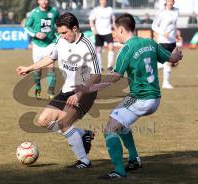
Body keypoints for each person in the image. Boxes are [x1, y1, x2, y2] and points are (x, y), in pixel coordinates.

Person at [74, 13, 183, 179]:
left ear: (122, 29)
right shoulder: (150, 43)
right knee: (119, 121)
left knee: (110, 129)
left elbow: (115, 77)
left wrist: (90, 88)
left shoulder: (126, 49)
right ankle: (133, 159)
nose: (113, 34)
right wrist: (177, 54)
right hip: (154, 98)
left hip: (141, 98)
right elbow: (172, 58)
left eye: (114, 31)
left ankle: (118, 171)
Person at [16, 12, 101, 168]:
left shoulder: (87, 46)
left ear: (74, 28)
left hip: (85, 92)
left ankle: (84, 161)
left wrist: (79, 94)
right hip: (66, 90)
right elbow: (51, 57)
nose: (62, 36)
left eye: (64, 33)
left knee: (64, 123)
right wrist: (30, 68)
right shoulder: (61, 41)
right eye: (60, 33)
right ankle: (82, 134)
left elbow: (96, 76)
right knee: (43, 121)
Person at [24, 0, 59, 99]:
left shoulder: (54, 11)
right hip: (38, 45)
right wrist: (36, 34)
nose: (44, 1)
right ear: (38, 1)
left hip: (51, 43)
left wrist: (59, 34)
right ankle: (38, 86)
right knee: (37, 69)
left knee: (51, 67)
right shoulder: (34, 13)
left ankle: (51, 92)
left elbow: (59, 24)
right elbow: (26, 26)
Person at [152, 0, 179, 89]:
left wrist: (176, 33)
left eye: (172, 1)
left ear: (174, 2)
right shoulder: (161, 12)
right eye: (169, 1)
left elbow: (174, 25)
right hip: (163, 40)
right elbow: (154, 26)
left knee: (172, 62)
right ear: (166, 2)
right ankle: (165, 83)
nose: (170, 3)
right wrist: (163, 33)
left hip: (172, 40)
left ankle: (159, 65)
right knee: (169, 61)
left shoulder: (177, 11)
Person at [89, 0, 115, 72]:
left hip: (108, 31)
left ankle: (110, 66)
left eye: (105, 0)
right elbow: (91, 20)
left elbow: (113, 20)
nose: (103, 1)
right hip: (99, 32)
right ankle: (100, 66)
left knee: (111, 47)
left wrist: (114, 28)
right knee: (98, 50)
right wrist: (93, 29)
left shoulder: (110, 9)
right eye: (102, 0)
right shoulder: (96, 10)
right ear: (99, 1)